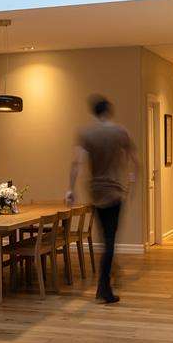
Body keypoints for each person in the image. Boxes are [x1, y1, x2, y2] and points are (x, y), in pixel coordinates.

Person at [66, 94, 138, 304]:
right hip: (114, 191)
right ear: (108, 110)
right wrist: (132, 181)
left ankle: (109, 276)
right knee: (109, 241)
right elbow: (134, 161)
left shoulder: (85, 133)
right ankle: (104, 288)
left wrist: (70, 190)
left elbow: (76, 163)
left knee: (103, 238)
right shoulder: (120, 132)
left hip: (95, 193)